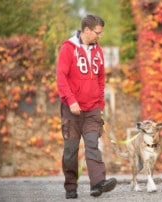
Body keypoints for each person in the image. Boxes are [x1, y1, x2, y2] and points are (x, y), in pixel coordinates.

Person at [56, 14, 117, 199]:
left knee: (92, 144)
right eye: (98, 33)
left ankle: (97, 184)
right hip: (71, 110)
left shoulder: (98, 51)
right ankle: (70, 187)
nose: (100, 36)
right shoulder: (68, 48)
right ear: (87, 30)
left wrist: (100, 104)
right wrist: (71, 100)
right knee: (71, 150)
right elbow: (61, 77)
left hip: (92, 109)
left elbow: (100, 78)